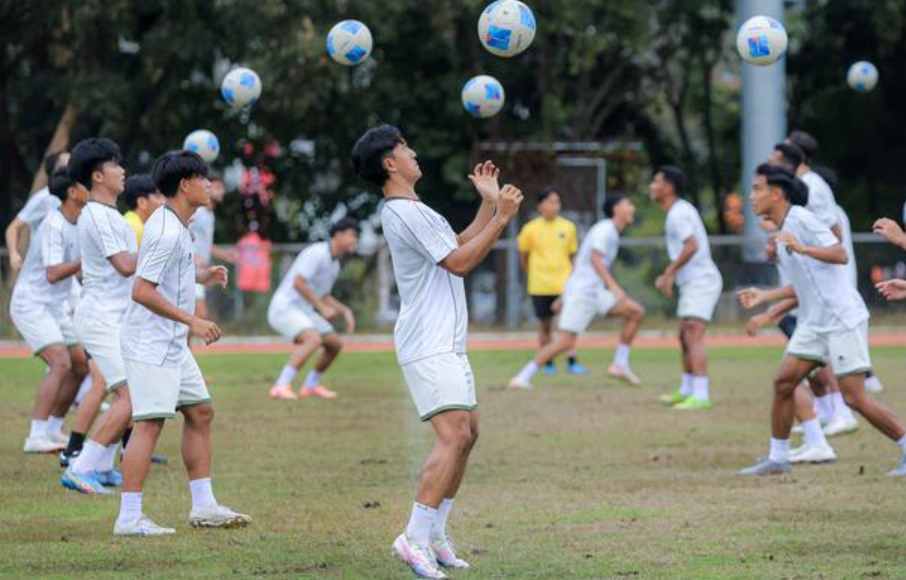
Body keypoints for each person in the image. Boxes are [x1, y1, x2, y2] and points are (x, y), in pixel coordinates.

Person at [354, 124, 523, 579]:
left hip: (444, 340)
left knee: (468, 434)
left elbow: (457, 243)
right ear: (390, 163)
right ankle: (413, 538)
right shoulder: (404, 212)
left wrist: (488, 202)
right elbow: (461, 263)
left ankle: (434, 535)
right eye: (406, 148)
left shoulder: (414, 210)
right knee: (453, 436)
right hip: (427, 342)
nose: (414, 153)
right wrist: (503, 218)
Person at [737, 164, 906, 476]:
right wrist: (765, 297)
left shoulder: (801, 219)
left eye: (757, 189)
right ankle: (778, 458)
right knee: (784, 382)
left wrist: (803, 247)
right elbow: (803, 284)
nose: (751, 196)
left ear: (777, 194)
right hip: (814, 322)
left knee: (854, 397)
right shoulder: (783, 231)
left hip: (841, 316)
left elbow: (839, 253)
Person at [116, 150, 250, 536]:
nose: (209, 185)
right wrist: (192, 319)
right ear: (185, 184)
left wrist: (203, 275)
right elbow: (141, 290)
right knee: (149, 424)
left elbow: (172, 270)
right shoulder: (165, 229)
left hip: (172, 343)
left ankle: (204, 506)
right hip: (150, 343)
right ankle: (128, 518)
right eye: (203, 178)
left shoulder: (177, 224)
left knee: (201, 411)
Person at [60, 138, 135, 495]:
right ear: (98, 175)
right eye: (116, 165)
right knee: (131, 397)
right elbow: (124, 266)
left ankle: (103, 467)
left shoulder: (110, 215)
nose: (123, 171)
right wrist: (162, 252)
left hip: (115, 317)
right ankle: (82, 466)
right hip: (101, 318)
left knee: (135, 395)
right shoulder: (98, 215)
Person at [509, 195, 645, 389]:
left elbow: (581, 264)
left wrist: (565, 295)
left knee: (635, 312)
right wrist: (613, 286)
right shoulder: (605, 230)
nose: (632, 208)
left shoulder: (612, 231)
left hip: (594, 292)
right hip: (583, 294)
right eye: (628, 204)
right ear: (616, 209)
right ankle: (522, 377)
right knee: (565, 342)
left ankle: (619, 364)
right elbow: (595, 259)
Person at [11, 169, 89, 453]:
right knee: (60, 361)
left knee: (80, 364)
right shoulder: (53, 225)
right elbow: (54, 273)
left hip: (56, 305)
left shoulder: (80, 221)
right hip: (31, 302)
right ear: (72, 192)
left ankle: (54, 429)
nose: (91, 187)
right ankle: (36, 435)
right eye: (86, 183)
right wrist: (85, 261)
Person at [650, 166, 723, 410]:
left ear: (669, 187)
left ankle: (701, 395)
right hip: (693, 282)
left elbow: (691, 246)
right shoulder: (677, 211)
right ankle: (687, 389)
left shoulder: (678, 213)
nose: (652, 186)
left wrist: (668, 273)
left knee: (693, 334)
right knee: (684, 336)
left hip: (702, 280)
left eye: (656, 181)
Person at [267, 218, 359, 400]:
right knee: (313, 339)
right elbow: (298, 283)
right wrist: (322, 308)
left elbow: (324, 295)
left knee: (334, 344)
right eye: (352, 235)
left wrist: (344, 310)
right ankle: (280, 386)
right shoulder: (317, 252)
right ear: (338, 235)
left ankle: (310, 386)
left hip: (303, 310)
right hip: (284, 308)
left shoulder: (334, 263)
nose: (355, 240)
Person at [516, 188, 585, 375]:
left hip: (563, 285)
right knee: (545, 325)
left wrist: (574, 280)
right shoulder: (530, 229)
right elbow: (523, 255)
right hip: (539, 285)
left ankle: (572, 361)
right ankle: (547, 363)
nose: (555, 206)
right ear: (540, 205)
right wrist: (531, 272)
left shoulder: (568, 227)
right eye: (551, 202)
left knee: (567, 324)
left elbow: (573, 256)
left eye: (557, 202)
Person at [5, 151, 70, 274]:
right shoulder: (44, 198)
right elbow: (13, 227)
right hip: (41, 270)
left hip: (66, 269)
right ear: (56, 170)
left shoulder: (78, 196)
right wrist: (14, 255)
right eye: (68, 162)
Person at [190, 176, 234, 326]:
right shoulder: (197, 212)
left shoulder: (210, 215)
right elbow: (183, 233)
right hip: (190, 269)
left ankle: (186, 349)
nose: (221, 191)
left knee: (194, 315)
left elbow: (206, 245)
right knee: (198, 314)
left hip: (200, 271)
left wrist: (225, 255)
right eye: (217, 188)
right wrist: (193, 256)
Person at [123, 174, 166, 245]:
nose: (164, 202)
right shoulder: (136, 230)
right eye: (158, 196)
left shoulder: (129, 222)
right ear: (142, 202)